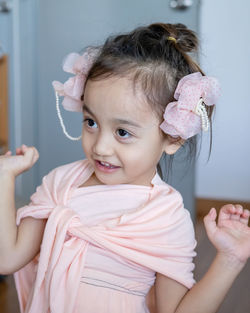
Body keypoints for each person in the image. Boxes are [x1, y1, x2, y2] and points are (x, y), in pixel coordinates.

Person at [0, 22, 249, 313]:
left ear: (172, 137)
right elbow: (8, 258)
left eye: (123, 132)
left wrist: (230, 260)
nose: (100, 147)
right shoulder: (59, 183)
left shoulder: (164, 218)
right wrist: (4, 177)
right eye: (91, 122)